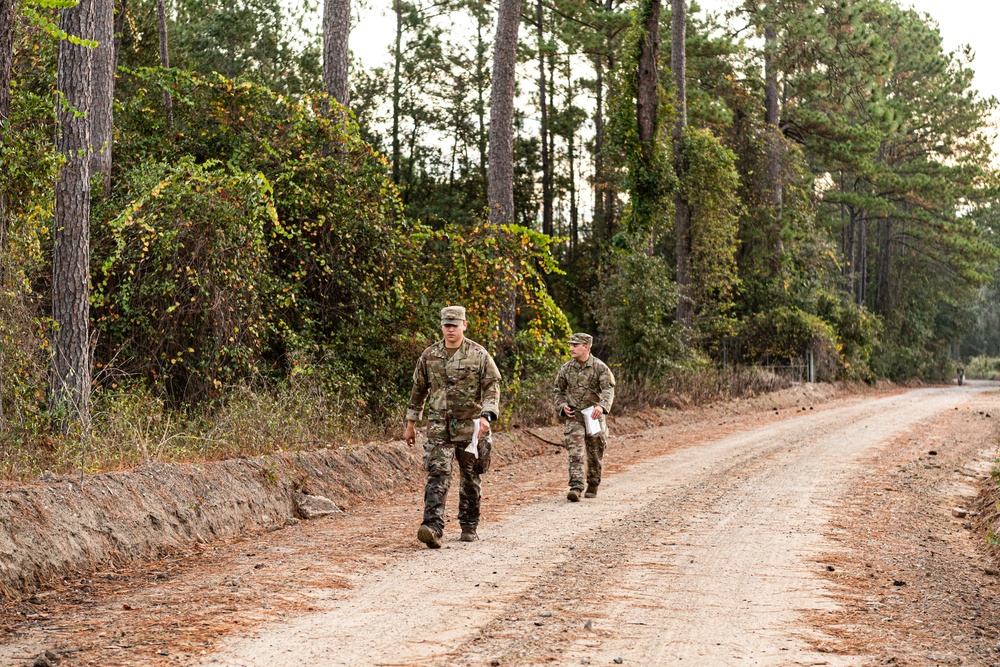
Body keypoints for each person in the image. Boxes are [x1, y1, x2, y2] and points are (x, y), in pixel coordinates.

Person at [404, 306, 501, 548]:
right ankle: (432, 527)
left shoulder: (478, 354)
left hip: (471, 427)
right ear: (441, 326)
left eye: (455, 325)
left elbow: (492, 386)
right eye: (446, 325)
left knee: (470, 477)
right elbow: (418, 391)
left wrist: (487, 416)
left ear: (464, 325)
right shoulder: (429, 356)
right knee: (438, 474)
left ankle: (469, 525)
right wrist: (410, 423)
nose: (450, 329)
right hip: (439, 427)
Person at [553, 333, 615, 502]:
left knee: (595, 451)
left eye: (575, 345)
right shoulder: (566, 369)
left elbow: (608, 389)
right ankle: (576, 486)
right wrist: (561, 406)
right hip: (575, 416)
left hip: (594, 416)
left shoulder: (599, 367)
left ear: (586, 347)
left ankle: (593, 483)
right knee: (575, 451)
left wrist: (601, 406)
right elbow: (558, 391)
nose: (571, 348)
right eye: (571, 345)